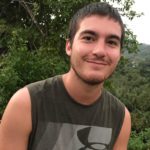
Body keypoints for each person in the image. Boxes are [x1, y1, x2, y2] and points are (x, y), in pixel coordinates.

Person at [0, 2, 131, 150]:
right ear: (69, 46)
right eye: (88, 38)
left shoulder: (120, 117)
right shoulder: (26, 104)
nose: (100, 51)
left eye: (111, 42)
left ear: (119, 54)